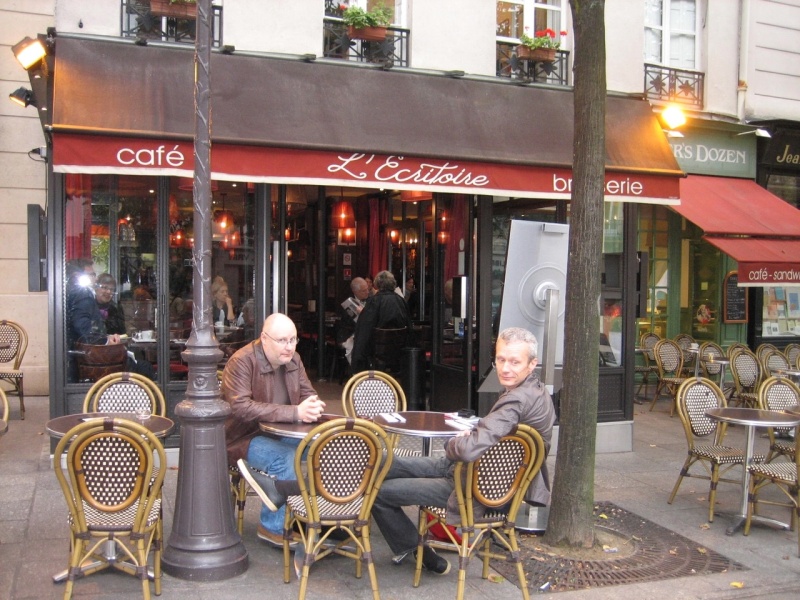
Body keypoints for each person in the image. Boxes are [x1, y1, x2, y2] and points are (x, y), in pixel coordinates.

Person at [238, 327, 556, 575]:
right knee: (379, 461)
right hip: (480, 476)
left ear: (532, 363)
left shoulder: (515, 400)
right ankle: (295, 498)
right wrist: (469, 438)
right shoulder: (537, 393)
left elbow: (470, 447)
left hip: (471, 485)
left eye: (514, 361)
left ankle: (414, 552)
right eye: (501, 359)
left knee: (375, 491)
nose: (505, 367)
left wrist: (455, 442)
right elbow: (491, 438)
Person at [222, 313, 326, 548]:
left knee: (328, 446)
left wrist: (312, 404)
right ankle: (272, 528)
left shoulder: (294, 359)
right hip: (244, 437)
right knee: (285, 458)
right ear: (264, 339)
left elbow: (308, 392)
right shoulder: (243, 361)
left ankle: (324, 517)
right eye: (282, 341)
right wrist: (295, 413)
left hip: (284, 432)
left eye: (293, 340)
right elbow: (239, 407)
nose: (289, 347)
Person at [350, 270, 413, 373]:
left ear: (377, 284)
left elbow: (364, 331)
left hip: (377, 352)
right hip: (399, 350)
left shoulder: (374, 302)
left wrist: (357, 361)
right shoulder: (401, 301)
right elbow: (409, 328)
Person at [336, 277, 371, 364]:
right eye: (364, 291)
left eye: (367, 289)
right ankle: (355, 371)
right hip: (350, 333)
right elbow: (347, 323)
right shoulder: (347, 301)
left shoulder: (371, 300)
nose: (367, 292)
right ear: (355, 292)